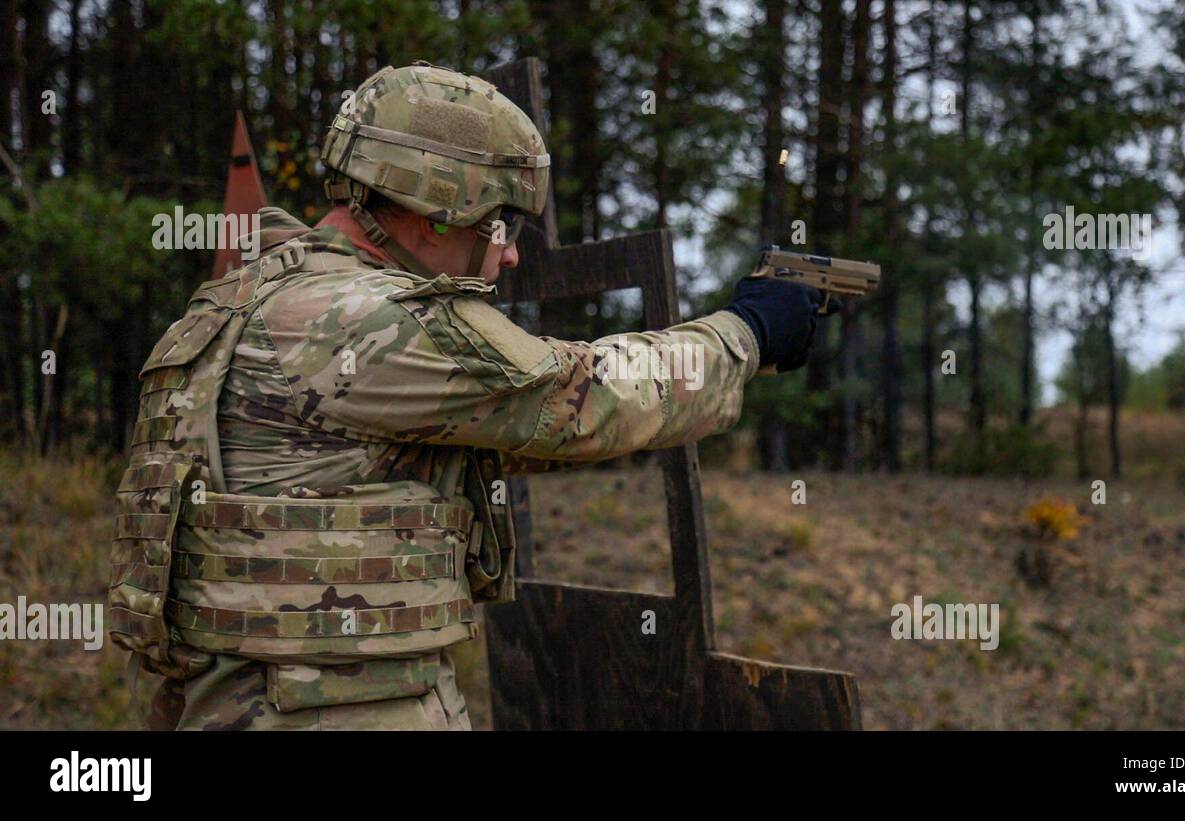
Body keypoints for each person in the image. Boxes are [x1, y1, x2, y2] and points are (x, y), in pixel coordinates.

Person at [110, 62, 825, 730]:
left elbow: (466, 440)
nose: (510, 253)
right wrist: (749, 332)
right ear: (442, 212)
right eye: (502, 223)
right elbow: (586, 400)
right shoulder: (374, 321)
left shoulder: (242, 300)